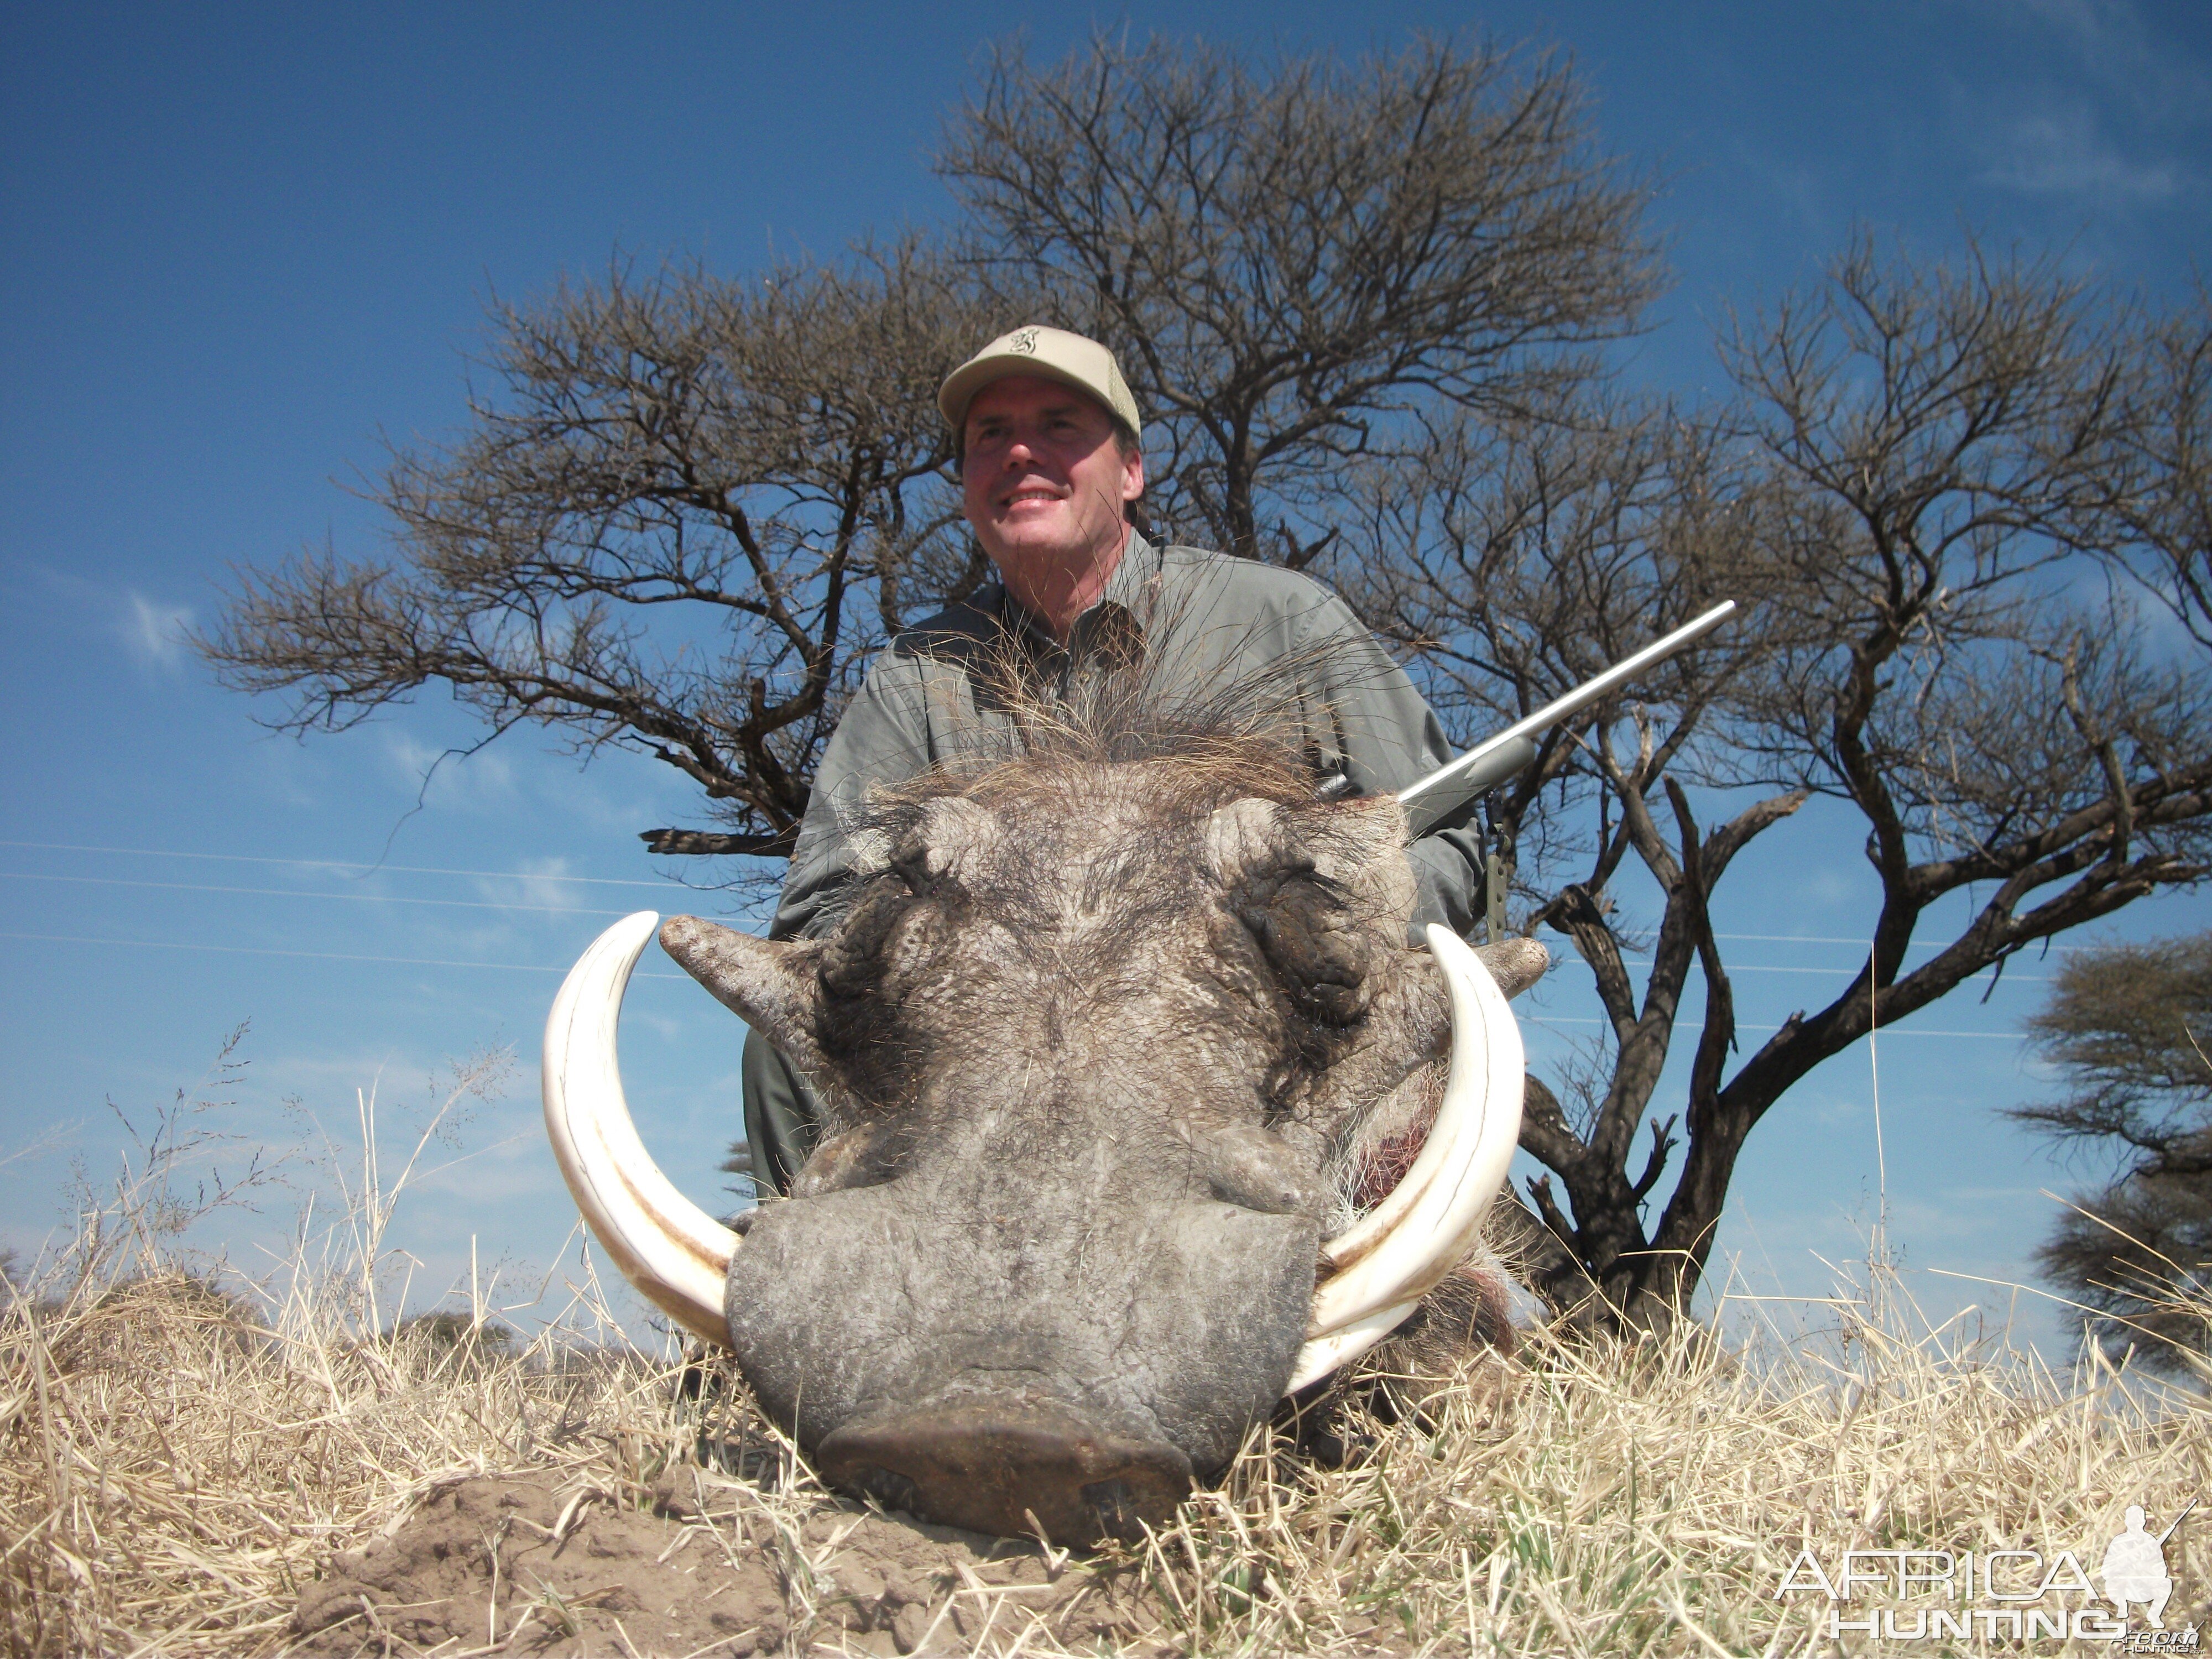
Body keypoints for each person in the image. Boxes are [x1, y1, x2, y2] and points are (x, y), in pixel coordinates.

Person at [740, 324, 1486, 1193]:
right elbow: (820, 912)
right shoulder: (916, 676)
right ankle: (843, 1301)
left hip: (1249, 1028)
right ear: (968, 482)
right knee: (785, 1034)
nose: (1020, 451)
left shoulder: (1286, 617)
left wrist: (1320, 941)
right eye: (990, 436)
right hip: (984, 1036)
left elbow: (1443, 841)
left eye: (1060, 425)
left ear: (1130, 473)